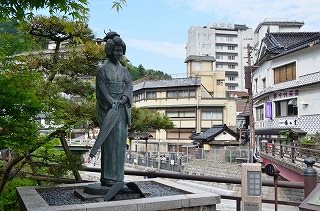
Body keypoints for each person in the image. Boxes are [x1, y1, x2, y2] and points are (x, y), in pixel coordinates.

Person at [91, 32, 132, 186]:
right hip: (109, 109)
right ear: (109, 50)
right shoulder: (101, 69)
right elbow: (101, 88)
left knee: (121, 141)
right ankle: (108, 177)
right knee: (108, 141)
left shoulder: (125, 71)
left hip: (121, 109)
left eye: (121, 50)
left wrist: (123, 99)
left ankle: (119, 177)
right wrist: (111, 101)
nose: (119, 53)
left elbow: (129, 87)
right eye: (116, 50)